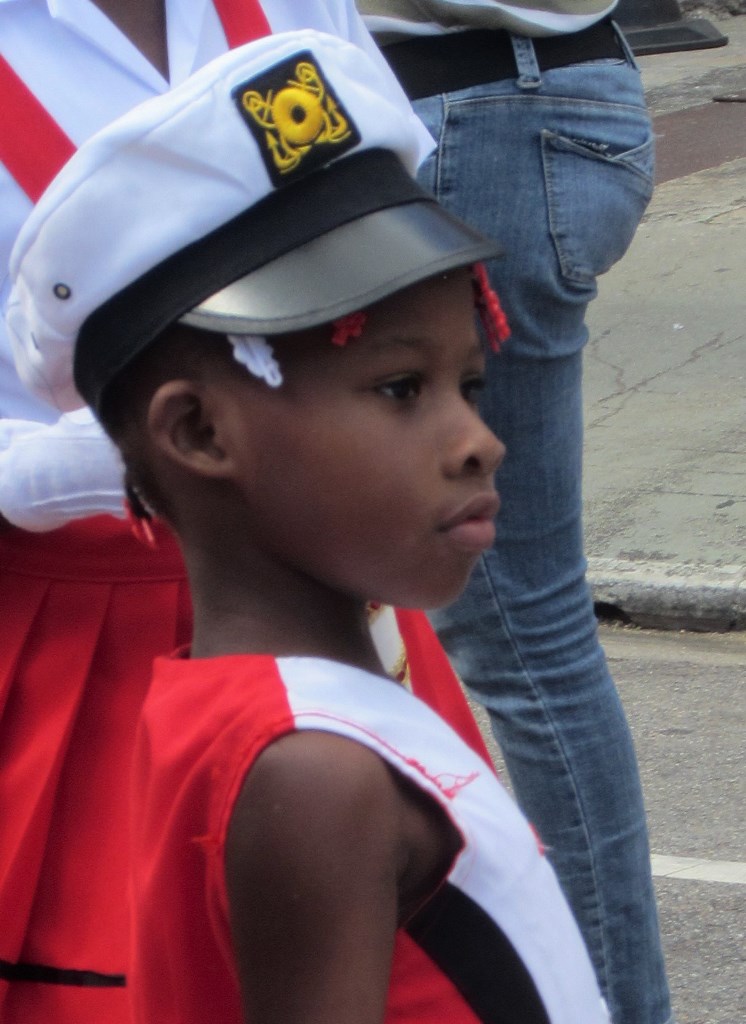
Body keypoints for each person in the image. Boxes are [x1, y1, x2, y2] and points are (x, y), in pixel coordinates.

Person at [9, 31, 613, 1023]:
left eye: (468, 383)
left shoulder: (277, 719)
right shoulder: (314, 771)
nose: (479, 442)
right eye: (397, 388)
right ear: (199, 431)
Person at [354, 3, 672, 1023]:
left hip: (473, 108)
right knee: (511, 622)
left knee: (519, 632)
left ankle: (611, 1005)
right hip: (532, 98)